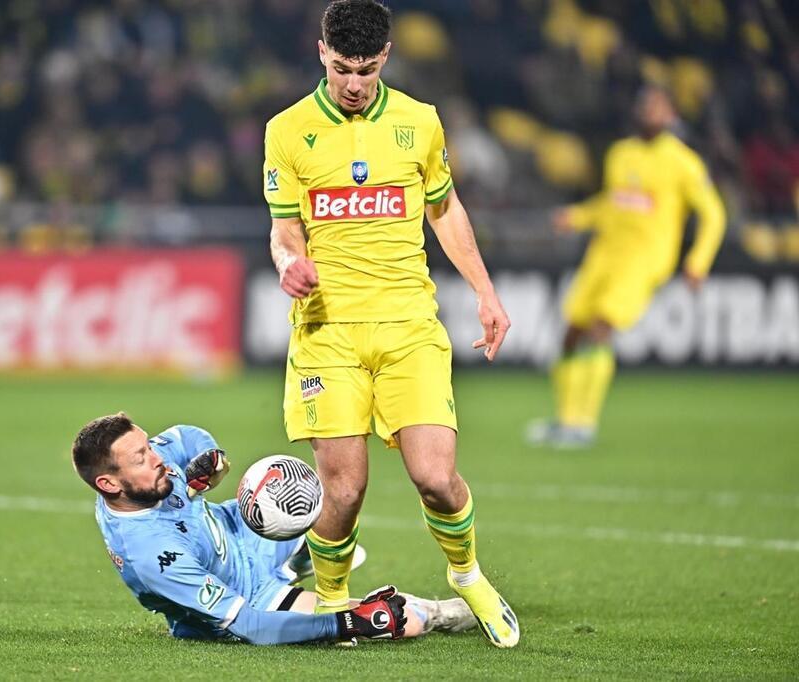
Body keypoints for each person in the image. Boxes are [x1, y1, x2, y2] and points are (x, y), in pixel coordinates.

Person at [263, 0, 518, 648]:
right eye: (344, 68)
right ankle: (333, 604)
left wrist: (486, 292)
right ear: (322, 53)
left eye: (367, 70)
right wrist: (290, 261)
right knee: (342, 492)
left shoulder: (418, 122)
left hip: (408, 326)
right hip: (328, 331)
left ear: (386, 58)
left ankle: (468, 577)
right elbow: (284, 227)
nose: (354, 83)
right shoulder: (288, 131)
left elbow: (445, 208)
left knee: (436, 478)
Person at [71, 412, 477, 645]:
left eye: (149, 446)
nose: (158, 458)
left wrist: (213, 461)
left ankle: (295, 558)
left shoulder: (146, 470)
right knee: (399, 622)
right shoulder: (152, 557)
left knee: (328, 498)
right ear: (109, 484)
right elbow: (252, 626)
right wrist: (345, 625)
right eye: (141, 457)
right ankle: (438, 611)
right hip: (249, 594)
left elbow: (189, 436)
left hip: (241, 530)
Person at [527, 86, 726, 449]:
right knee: (572, 332)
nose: (651, 111)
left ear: (671, 115)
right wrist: (577, 216)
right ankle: (566, 418)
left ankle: (582, 425)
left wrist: (698, 262)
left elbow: (714, 214)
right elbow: (614, 204)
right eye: (646, 105)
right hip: (604, 254)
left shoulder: (683, 161)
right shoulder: (621, 153)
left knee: (601, 327)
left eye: (659, 106)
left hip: (645, 260)